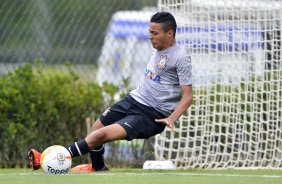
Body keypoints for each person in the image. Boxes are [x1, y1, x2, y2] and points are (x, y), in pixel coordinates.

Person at [28, 11, 193, 172]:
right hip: (133, 100)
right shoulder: (158, 48)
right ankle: (98, 168)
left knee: (97, 136)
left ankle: (48, 159)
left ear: (169, 33)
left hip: (151, 115)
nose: (150, 36)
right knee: (94, 130)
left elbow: (188, 96)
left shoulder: (180, 57)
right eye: (149, 32)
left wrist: (172, 118)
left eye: (154, 33)